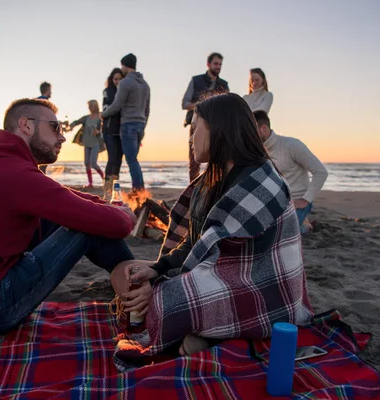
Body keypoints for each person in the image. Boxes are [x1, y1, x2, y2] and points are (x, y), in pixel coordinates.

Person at [111, 93, 313, 359]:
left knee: (164, 304)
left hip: (262, 289)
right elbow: (197, 244)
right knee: (123, 272)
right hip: (217, 273)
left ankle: (210, 336)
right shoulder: (212, 180)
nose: (191, 138)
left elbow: (215, 261)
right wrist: (157, 269)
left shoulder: (261, 181)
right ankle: (207, 334)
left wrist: (160, 284)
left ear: (218, 131)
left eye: (196, 128)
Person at [0, 98, 137, 336]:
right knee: (87, 225)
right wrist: (123, 215)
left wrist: (109, 208)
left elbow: (67, 197)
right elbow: (115, 224)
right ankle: (140, 291)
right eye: (54, 127)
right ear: (25, 125)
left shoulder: (0, 167)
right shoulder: (14, 174)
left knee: (79, 216)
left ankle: (136, 284)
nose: (62, 137)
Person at [254, 110, 328, 234]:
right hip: (275, 204)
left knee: (283, 234)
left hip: (297, 201)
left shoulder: (291, 145)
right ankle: (303, 222)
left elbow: (320, 172)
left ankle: (306, 226)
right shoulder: (258, 153)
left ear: (264, 129)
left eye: (251, 132)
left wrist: (305, 200)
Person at [101, 53, 150, 193]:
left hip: (128, 124)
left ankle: (138, 189)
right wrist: (143, 126)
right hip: (140, 125)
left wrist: (102, 115)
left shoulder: (126, 82)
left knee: (131, 160)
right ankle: (137, 188)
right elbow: (147, 110)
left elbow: (117, 105)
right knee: (132, 159)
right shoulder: (145, 85)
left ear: (125, 65)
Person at [182, 52, 229, 182]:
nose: (218, 67)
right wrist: (203, 106)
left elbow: (228, 107)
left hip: (217, 126)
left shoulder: (224, 84)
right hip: (197, 124)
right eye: (215, 63)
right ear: (208, 64)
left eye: (220, 64)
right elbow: (185, 104)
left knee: (218, 160)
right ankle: (193, 191)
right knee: (194, 161)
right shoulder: (196, 80)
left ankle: (213, 188)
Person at [68, 100, 104, 188]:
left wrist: (99, 131)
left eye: (91, 105)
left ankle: (104, 178)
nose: (89, 108)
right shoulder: (87, 117)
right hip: (86, 142)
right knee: (86, 163)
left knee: (93, 163)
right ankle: (90, 183)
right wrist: (71, 125)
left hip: (95, 142)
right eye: (89, 106)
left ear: (95, 106)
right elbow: (77, 122)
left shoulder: (100, 116)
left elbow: (105, 128)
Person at [102, 68, 124, 198]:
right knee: (112, 159)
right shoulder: (108, 91)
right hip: (109, 130)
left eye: (120, 79)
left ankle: (115, 189)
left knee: (119, 161)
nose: (118, 81)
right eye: (116, 79)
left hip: (121, 131)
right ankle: (107, 190)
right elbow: (106, 109)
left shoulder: (126, 91)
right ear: (112, 80)